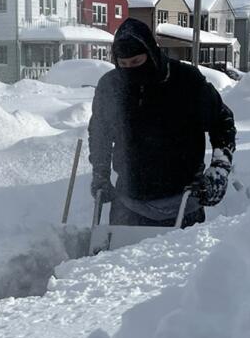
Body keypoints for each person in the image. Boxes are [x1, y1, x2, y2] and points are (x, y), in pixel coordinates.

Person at [88, 17, 237, 228]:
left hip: (184, 202)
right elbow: (100, 133)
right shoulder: (111, 87)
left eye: (137, 62)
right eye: (123, 64)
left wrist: (219, 170)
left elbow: (222, 121)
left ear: (151, 53)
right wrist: (100, 174)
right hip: (129, 202)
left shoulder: (187, 81)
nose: (130, 69)